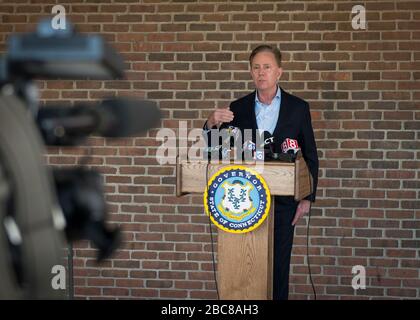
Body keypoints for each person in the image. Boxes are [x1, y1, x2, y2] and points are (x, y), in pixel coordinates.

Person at [203, 44, 319, 300]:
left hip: (284, 201)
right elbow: (215, 151)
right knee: (245, 267)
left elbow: (310, 154)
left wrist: (307, 197)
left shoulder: (298, 108)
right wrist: (211, 123)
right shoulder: (238, 107)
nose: (261, 72)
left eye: (267, 67)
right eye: (256, 67)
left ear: (279, 72)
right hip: (244, 201)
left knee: (278, 268)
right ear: (250, 72)